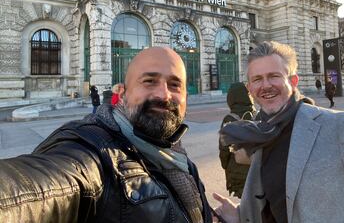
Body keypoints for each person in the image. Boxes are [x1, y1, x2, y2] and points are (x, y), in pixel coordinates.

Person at [0, 47, 213, 223]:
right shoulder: (92, 153)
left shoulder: (177, 155)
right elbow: (40, 189)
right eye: (149, 81)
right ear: (122, 93)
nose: (163, 94)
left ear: (185, 95)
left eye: (174, 85)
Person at [212, 41, 344, 223]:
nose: (265, 85)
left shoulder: (341, 127)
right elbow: (281, 205)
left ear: (293, 81)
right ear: (250, 88)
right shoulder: (259, 135)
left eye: (274, 76)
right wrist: (241, 215)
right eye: (257, 79)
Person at [219, 82, 256, 198]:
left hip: (237, 172)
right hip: (256, 171)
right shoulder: (258, 115)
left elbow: (223, 149)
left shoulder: (229, 119)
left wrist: (226, 166)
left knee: (245, 204)